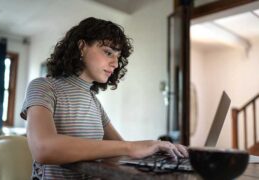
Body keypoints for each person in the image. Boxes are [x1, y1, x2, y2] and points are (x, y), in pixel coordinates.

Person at [21, 17, 188, 180]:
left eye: (117, 56)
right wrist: (130, 147)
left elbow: (120, 149)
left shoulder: (94, 101)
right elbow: (43, 148)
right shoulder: (43, 86)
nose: (115, 64)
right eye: (108, 52)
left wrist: (157, 149)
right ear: (82, 47)